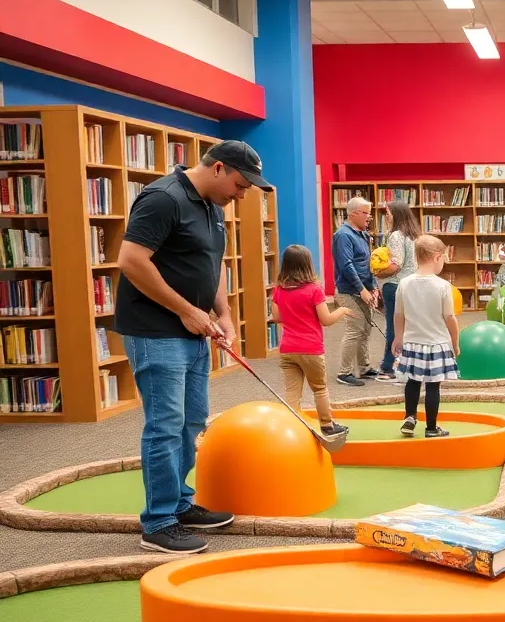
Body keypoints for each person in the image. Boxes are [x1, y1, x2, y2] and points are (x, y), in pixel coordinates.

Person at [115, 140, 271, 555]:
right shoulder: (163, 198)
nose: (242, 194)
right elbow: (131, 261)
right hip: (155, 330)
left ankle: (180, 504)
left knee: (192, 421)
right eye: (241, 184)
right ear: (218, 168)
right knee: (166, 425)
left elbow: (211, 263)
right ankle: (159, 522)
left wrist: (223, 313)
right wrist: (187, 311)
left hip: (194, 328)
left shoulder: (214, 207)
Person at [271, 245, 351, 437]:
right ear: (307, 265)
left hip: (288, 348)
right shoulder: (314, 290)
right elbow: (326, 320)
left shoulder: (279, 290)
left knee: (292, 392)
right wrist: (342, 310)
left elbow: (276, 317)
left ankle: (289, 426)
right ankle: (327, 425)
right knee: (319, 388)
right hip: (310, 349)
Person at [391, 235, 461, 438]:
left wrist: (398, 337)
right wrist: (455, 342)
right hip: (437, 343)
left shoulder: (404, 283)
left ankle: (410, 416)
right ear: (437, 257)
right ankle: (431, 427)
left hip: (412, 343)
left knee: (412, 381)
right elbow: (450, 317)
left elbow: (398, 314)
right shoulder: (442, 286)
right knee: (433, 385)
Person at [332, 196, 379, 386]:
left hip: (364, 289)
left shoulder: (363, 234)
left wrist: (373, 286)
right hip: (348, 291)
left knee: (366, 328)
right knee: (355, 329)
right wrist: (362, 289)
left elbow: (368, 263)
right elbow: (346, 265)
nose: (369, 217)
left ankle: (364, 367)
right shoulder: (343, 235)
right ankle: (344, 373)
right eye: (365, 213)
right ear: (352, 214)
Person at [377, 200, 421, 379]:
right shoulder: (413, 236)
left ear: (397, 215)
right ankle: (410, 363)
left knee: (393, 327)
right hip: (411, 286)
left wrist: (378, 272)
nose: (386, 217)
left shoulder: (396, 235)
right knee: (409, 326)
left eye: (388, 213)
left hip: (394, 285)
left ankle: (388, 367)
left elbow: (396, 265)